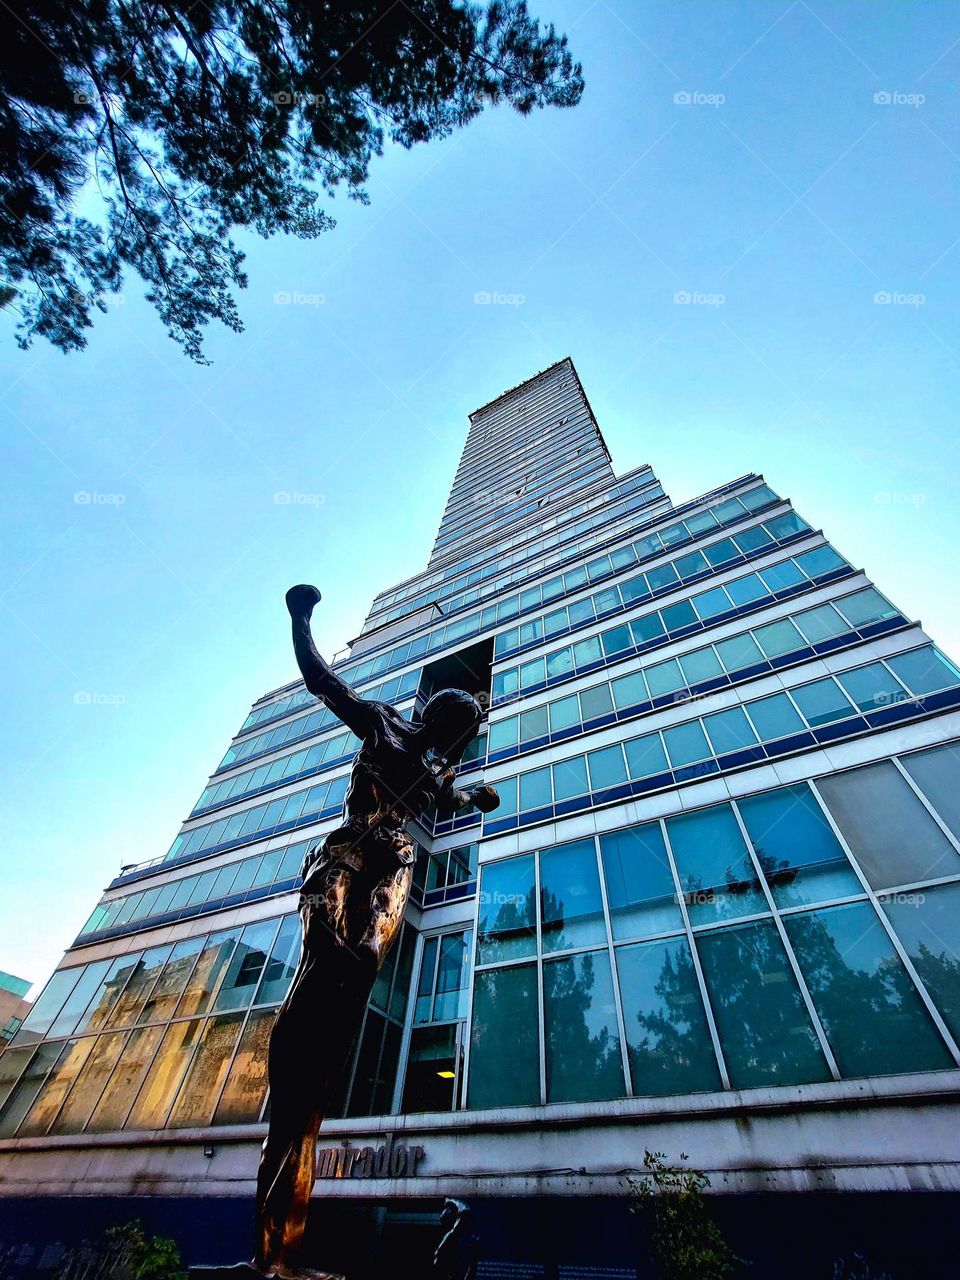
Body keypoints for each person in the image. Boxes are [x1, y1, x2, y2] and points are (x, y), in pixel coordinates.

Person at [255, 585, 499, 1273]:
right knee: (327, 944)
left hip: (390, 853)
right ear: (440, 718)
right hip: (349, 845)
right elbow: (321, 680)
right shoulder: (384, 723)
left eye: (464, 742)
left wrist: (469, 795)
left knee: (366, 948)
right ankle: (273, 1255)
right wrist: (302, 619)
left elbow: (441, 793)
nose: (457, 744)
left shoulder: (432, 768)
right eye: (459, 731)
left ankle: (345, 976)